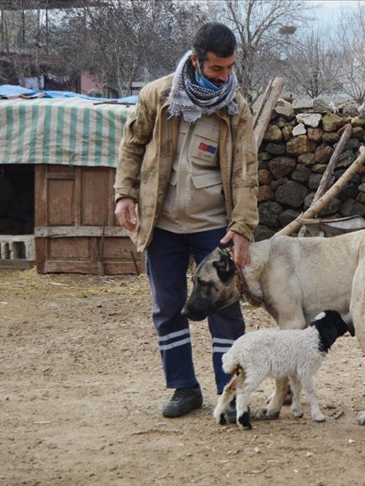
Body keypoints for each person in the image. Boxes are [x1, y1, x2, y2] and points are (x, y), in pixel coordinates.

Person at [113, 22, 259, 418]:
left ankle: (228, 394)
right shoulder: (158, 96)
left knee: (225, 307)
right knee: (168, 305)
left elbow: (246, 171)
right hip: (161, 223)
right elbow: (131, 146)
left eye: (230, 68)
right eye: (217, 69)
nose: (225, 76)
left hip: (215, 225)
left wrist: (242, 228)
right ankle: (183, 389)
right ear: (196, 61)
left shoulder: (236, 109)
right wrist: (124, 194)